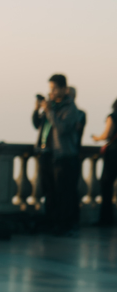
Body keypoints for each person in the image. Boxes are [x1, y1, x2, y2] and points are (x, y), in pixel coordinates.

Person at [32, 75, 86, 234]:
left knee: (63, 192)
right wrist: (37, 109)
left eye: (55, 89)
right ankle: (51, 222)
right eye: (51, 89)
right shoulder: (52, 107)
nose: (52, 92)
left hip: (62, 155)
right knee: (48, 191)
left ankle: (63, 224)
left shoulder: (70, 108)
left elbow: (62, 129)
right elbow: (37, 124)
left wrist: (49, 111)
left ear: (64, 89)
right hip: (46, 153)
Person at [94, 100, 117, 228]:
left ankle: (106, 218)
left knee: (106, 185)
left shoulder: (113, 116)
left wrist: (96, 138)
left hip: (113, 153)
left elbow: (107, 134)